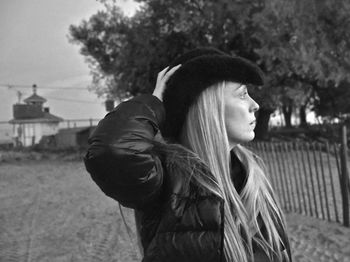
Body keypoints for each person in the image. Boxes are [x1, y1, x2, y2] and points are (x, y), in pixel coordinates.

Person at [84, 47, 292, 262]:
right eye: (242, 94)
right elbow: (111, 150)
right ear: (208, 107)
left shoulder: (251, 174)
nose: (255, 105)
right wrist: (155, 102)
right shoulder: (167, 179)